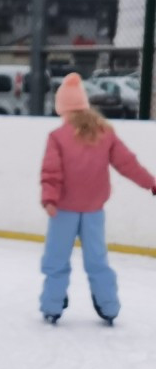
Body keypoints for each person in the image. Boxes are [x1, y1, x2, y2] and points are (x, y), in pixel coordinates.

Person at [39, 72, 156, 325]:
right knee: (97, 260)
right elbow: (128, 164)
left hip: (63, 210)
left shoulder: (57, 137)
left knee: (56, 259)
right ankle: (109, 306)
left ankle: (52, 305)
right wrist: (152, 183)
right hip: (93, 210)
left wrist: (49, 199)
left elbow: (51, 172)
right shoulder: (105, 133)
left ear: (64, 109)